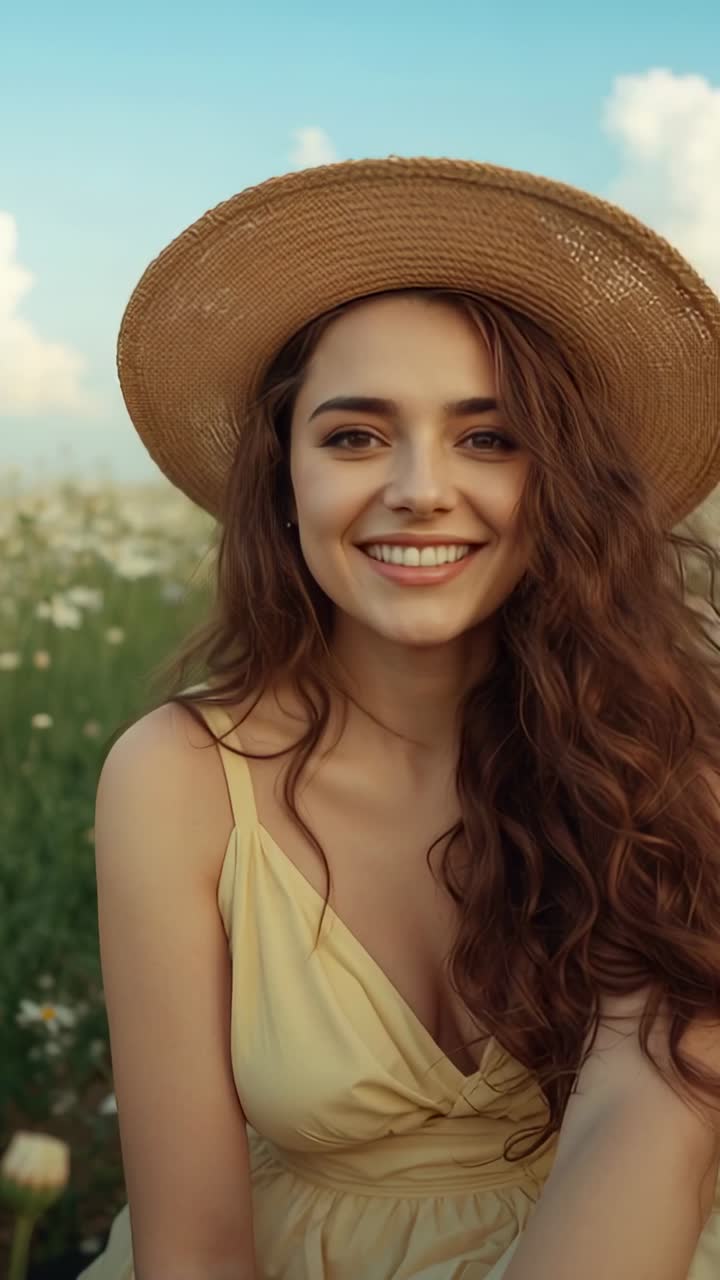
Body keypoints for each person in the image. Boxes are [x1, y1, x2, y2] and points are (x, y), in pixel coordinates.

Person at [77, 156, 720, 1280]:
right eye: (355, 435)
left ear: (564, 480)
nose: (420, 488)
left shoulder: (668, 747)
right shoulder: (175, 777)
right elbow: (190, 1248)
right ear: (283, 479)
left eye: (488, 436)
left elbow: (651, 1115)